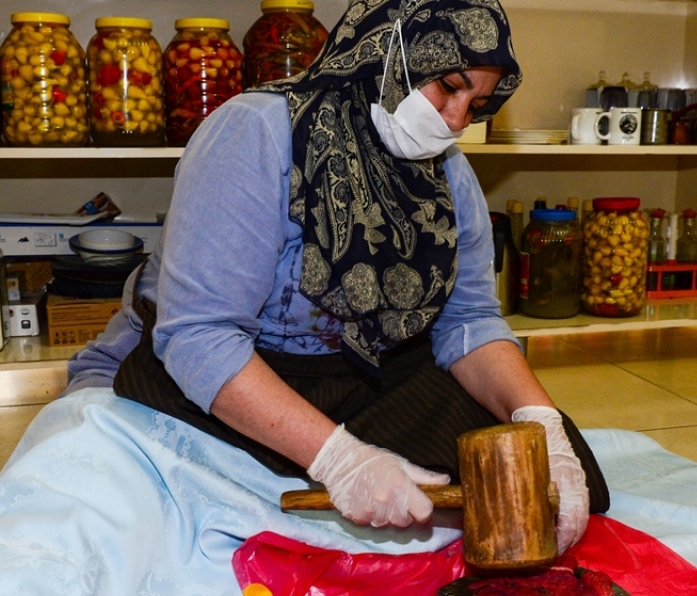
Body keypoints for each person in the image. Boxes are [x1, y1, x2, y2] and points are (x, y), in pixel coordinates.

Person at [68, 0, 608, 549]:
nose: (455, 120)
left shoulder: (448, 170)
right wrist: (340, 459)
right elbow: (198, 335)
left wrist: (541, 422)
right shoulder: (255, 132)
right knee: (187, 515)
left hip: (365, 368)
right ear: (389, 53)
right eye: (449, 85)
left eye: (477, 105)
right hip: (224, 366)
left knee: (546, 484)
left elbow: (466, 321)